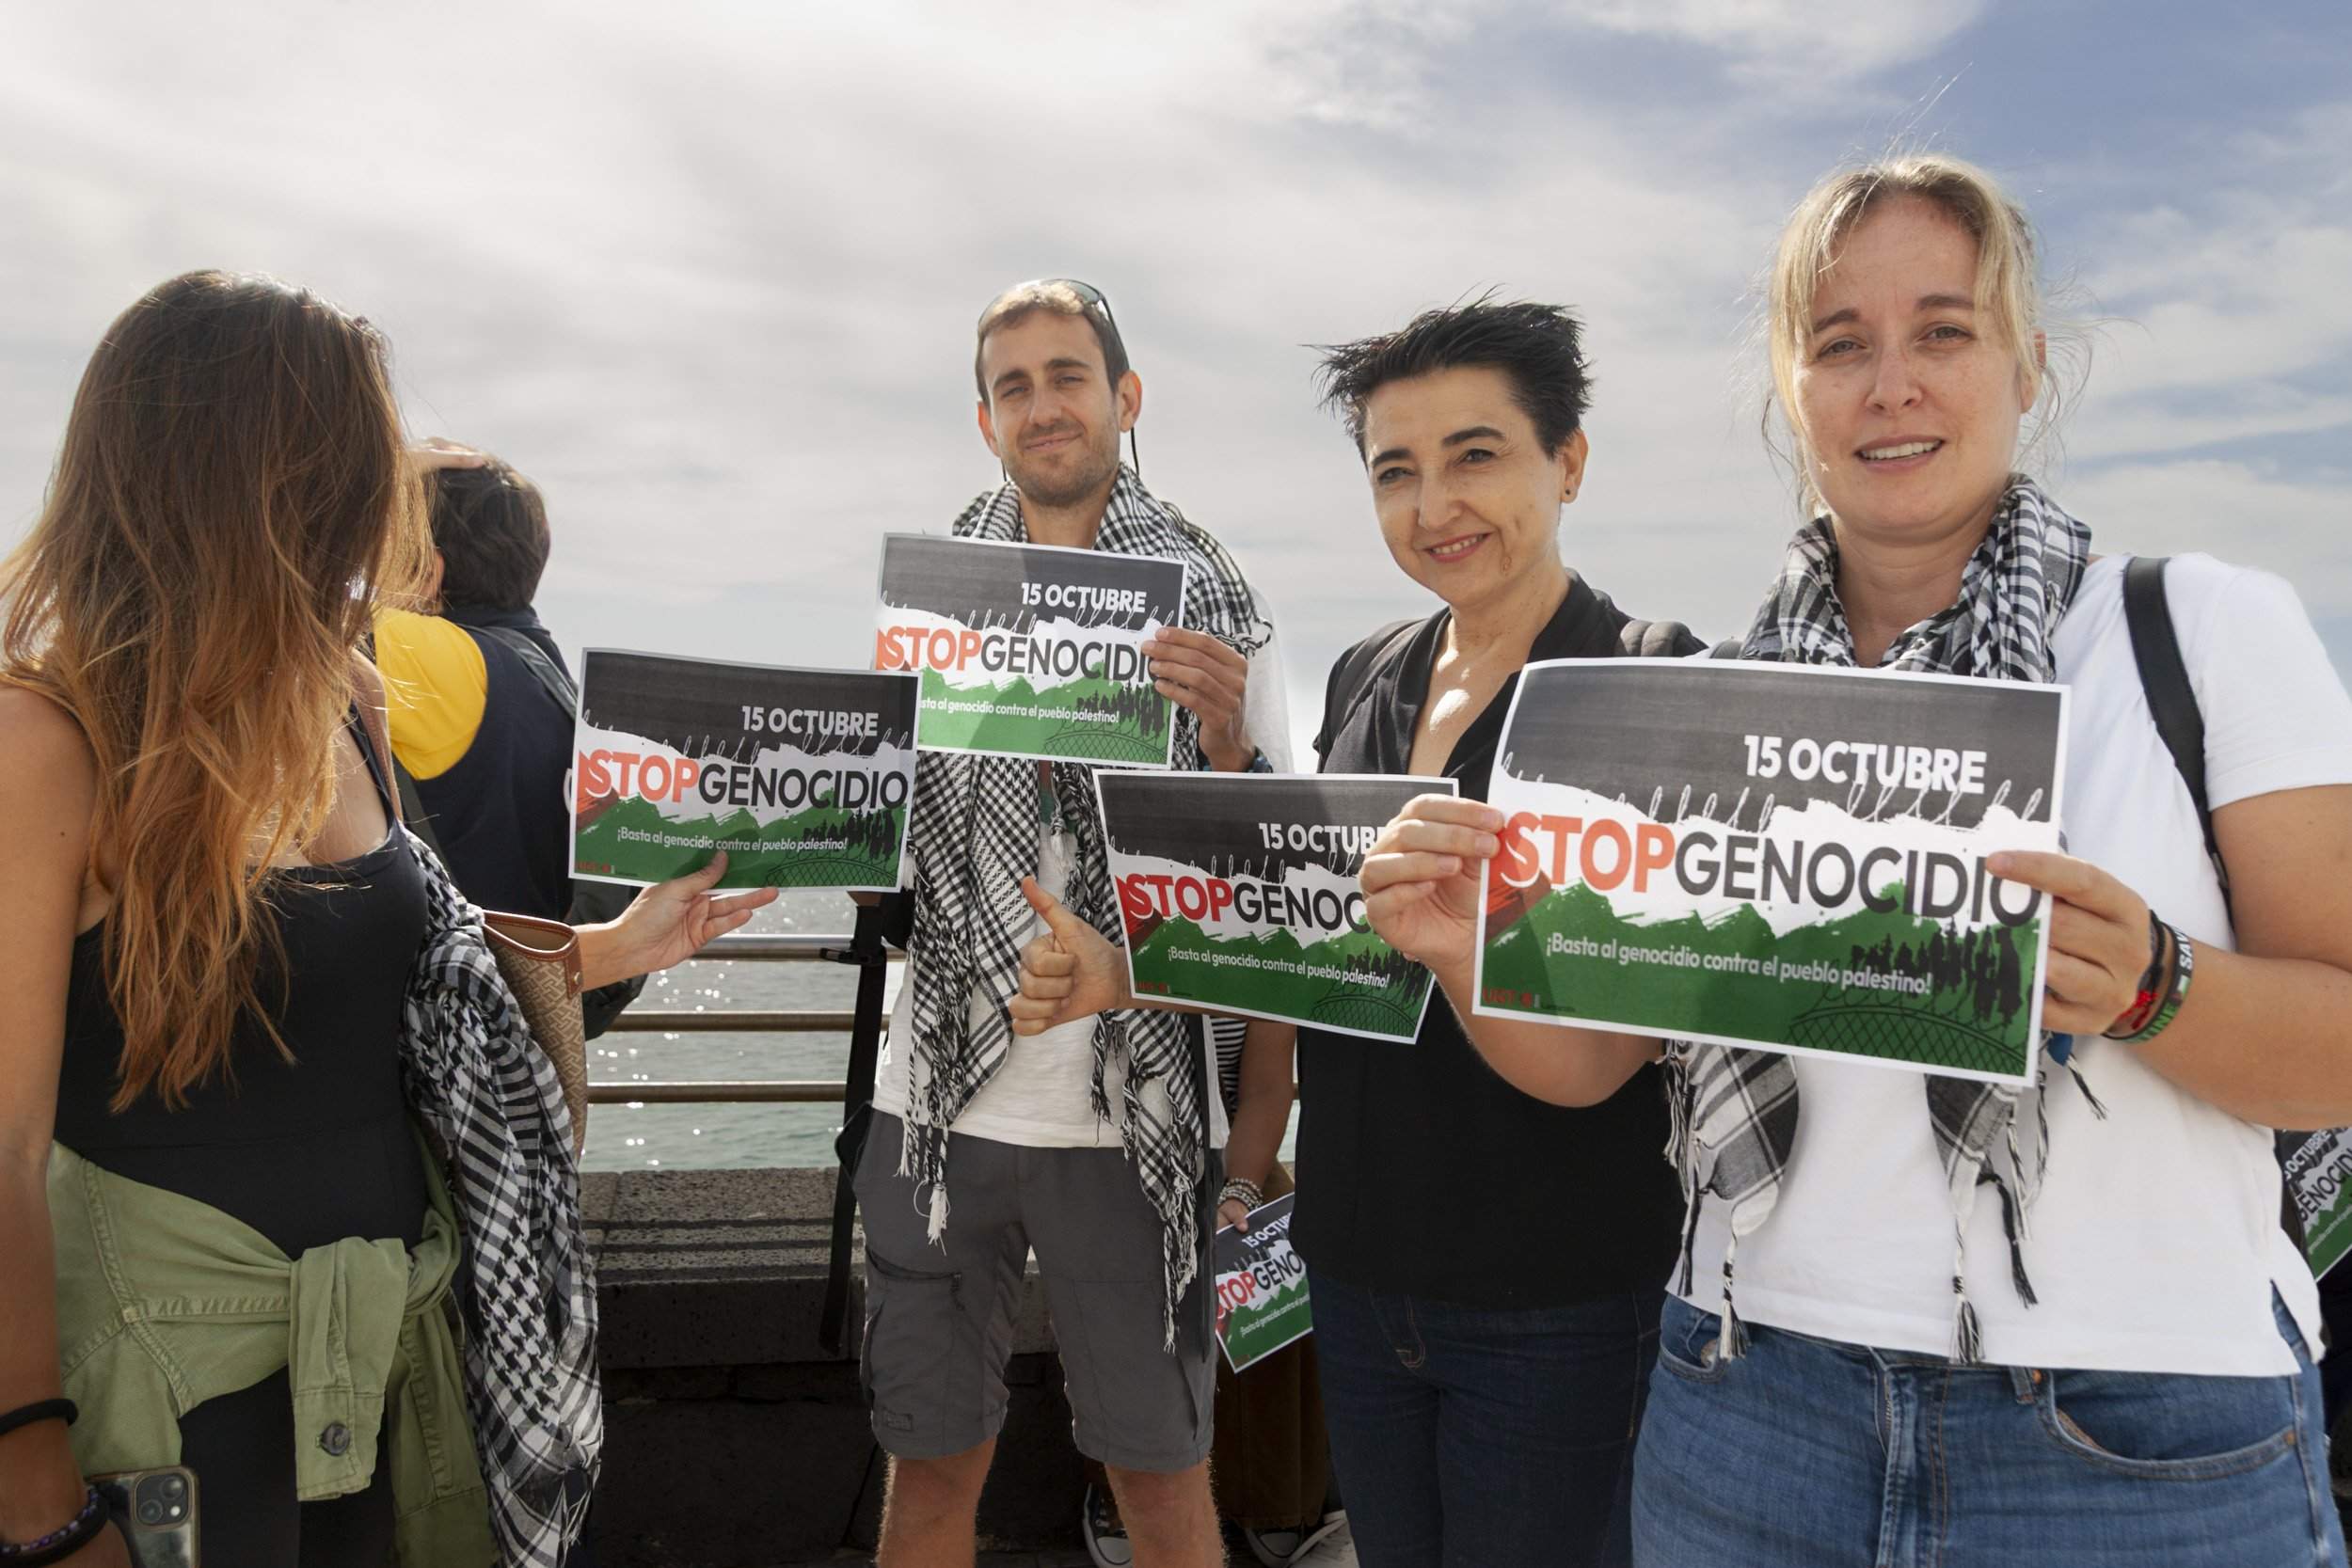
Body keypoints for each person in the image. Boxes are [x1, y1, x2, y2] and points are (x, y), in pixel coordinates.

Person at [1363, 155, 2352, 1566]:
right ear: (1794, 391)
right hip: (1748, 1395)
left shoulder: (2194, 630)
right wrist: (1467, 945)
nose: (1892, 383)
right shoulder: (1705, 704)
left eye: (1943, 330)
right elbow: (1599, 1058)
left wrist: (2153, 985)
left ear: (2027, 365)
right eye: (1841, 345)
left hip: (2139, 1424)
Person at [0, 270, 774, 1567]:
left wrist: (619, 947)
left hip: (389, 1378)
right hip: (164, 1389)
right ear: (243, 468)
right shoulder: (47, 734)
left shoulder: (343, 695)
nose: (380, 498)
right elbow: (5, 1138)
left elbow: (408, 990)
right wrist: (28, 1483)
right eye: (352, 453)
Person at [1015, 299, 1700, 1566]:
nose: (1436, 501)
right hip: (1360, 1263)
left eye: (1477, 453)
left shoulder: (1643, 676)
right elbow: (1304, 941)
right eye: (1398, 469)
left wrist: (1453, 946)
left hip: (1559, 1293)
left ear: (1571, 461)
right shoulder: (1363, 671)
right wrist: (1137, 978)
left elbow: (1618, 1047)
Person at [855, 277, 1287, 1568]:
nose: (1043, 405)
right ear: (985, 418)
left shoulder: (1218, 596)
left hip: (1128, 1111)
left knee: (1161, 1483)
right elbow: (874, 818)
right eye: (1014, 385)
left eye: (1067, 375)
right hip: (930, 1095)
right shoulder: (938, 591)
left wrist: (1225, 743)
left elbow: (1270, 886)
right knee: (928, 1471)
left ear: (1125, 397)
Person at [373, 443, 644, 1034]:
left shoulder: (431, 659)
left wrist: (377, 470)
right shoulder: (550, 677)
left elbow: (265, 595)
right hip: (523, 1040)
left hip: (444, 1044)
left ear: (426, 572)